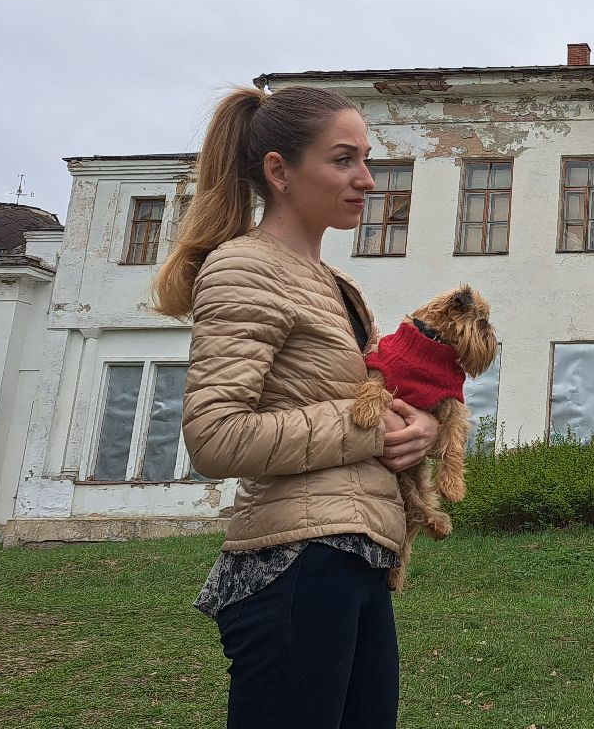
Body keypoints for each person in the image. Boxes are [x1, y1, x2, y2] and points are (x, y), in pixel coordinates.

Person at [154, 85, 438, 728]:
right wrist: (370, 428)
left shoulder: (336, 285)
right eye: (344, 159)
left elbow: (362, 399)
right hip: (296, 562)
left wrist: (416, 424)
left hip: (356, 558)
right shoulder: (244, 267)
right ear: (279, 171)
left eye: (366, 158)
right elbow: (214, 437)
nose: (367, 178)